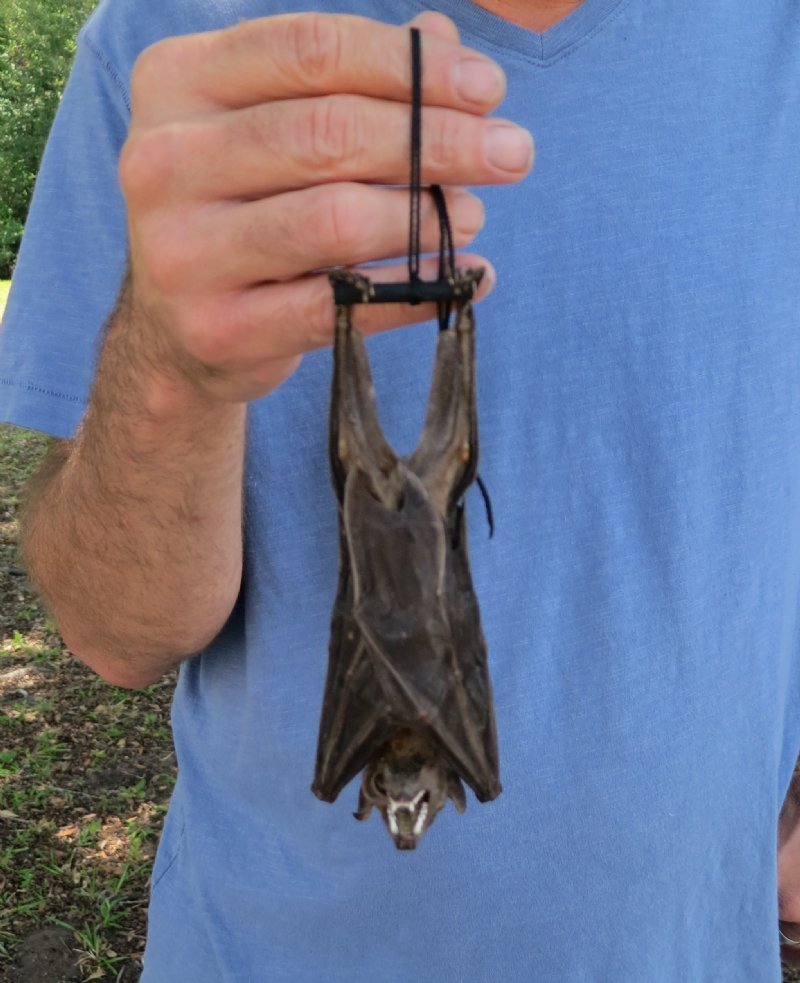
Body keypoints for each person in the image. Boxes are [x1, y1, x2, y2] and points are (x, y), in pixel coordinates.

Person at [2, 0, 800, 978]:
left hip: (691, 947)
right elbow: (114, 633)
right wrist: (167, 373)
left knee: (384, 464)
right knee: (413, 465)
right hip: (277, 940)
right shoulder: (170, 33)